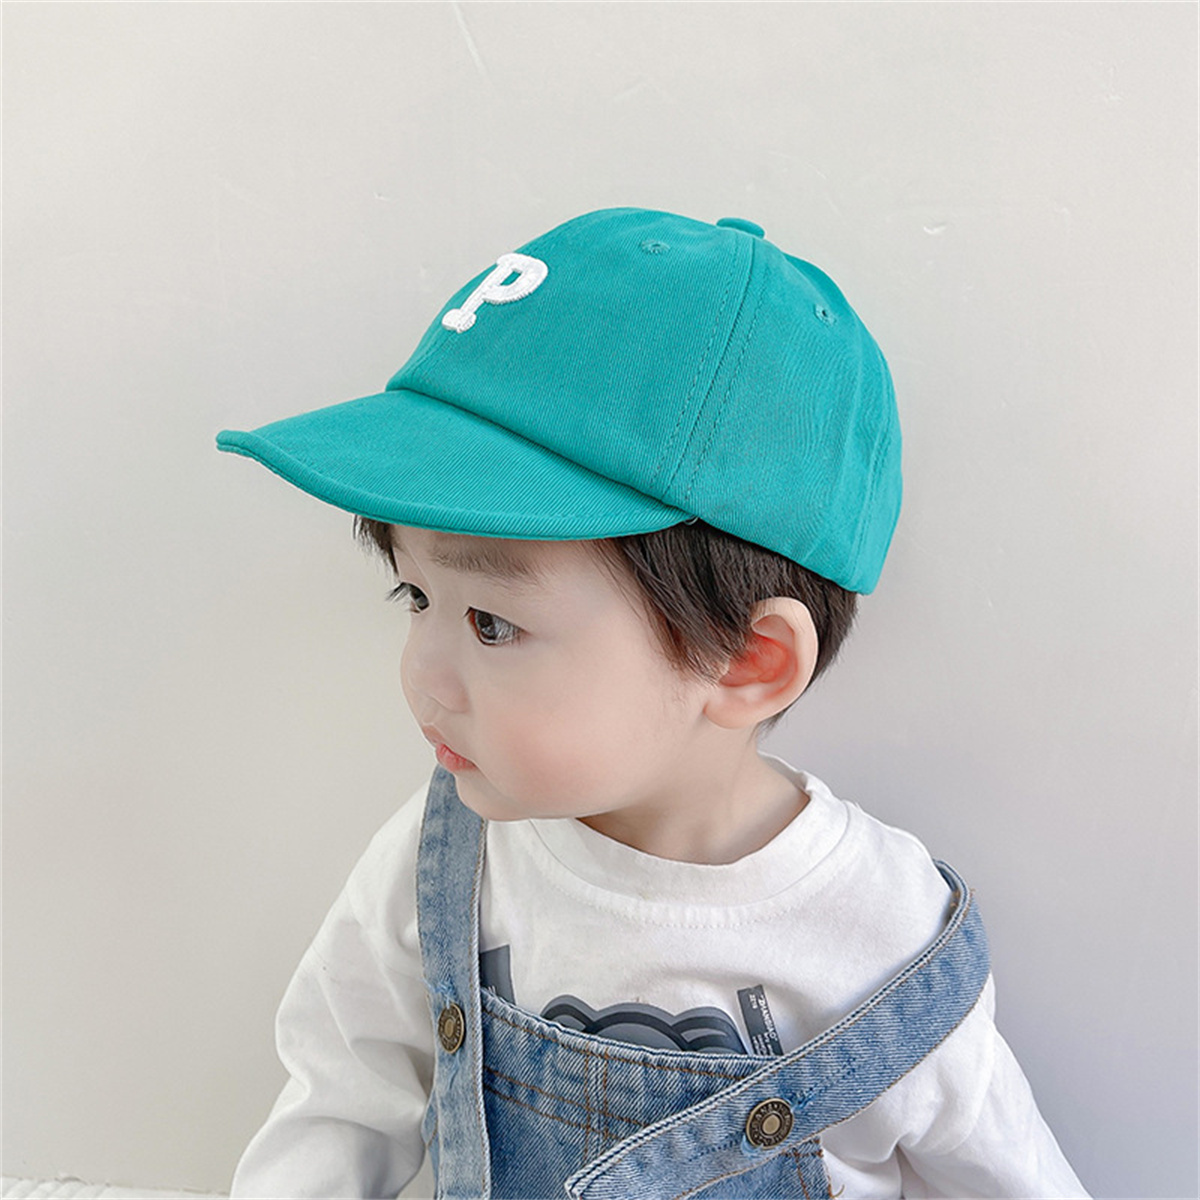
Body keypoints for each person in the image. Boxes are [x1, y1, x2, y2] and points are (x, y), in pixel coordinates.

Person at [217, 208, 1088, 1199]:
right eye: (414, 596)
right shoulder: (446, 864)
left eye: (492, 624)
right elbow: (339, 1103)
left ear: (748, 661)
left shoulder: (877, 931)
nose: (423, 675)